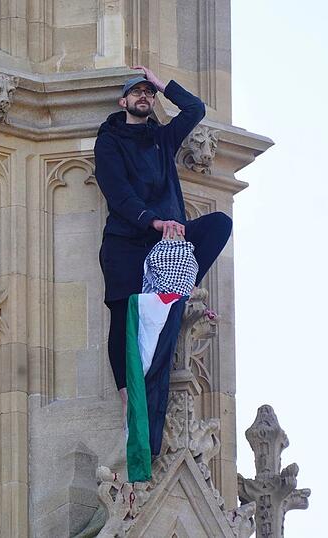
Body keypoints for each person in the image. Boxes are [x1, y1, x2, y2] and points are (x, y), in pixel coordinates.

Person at [94, 65, 233, 426]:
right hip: (127, 241)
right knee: (123, 315)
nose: (144, 96)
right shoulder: (109, 141)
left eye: (148, 92)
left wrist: (161, 83)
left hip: (168, 243)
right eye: (137, 92)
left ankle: (183, 288)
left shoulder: (162, 138)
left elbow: (195, 109)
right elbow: (117, 192)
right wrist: (152, 221)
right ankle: (128, 397)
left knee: (219, 224)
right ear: (123, 101)